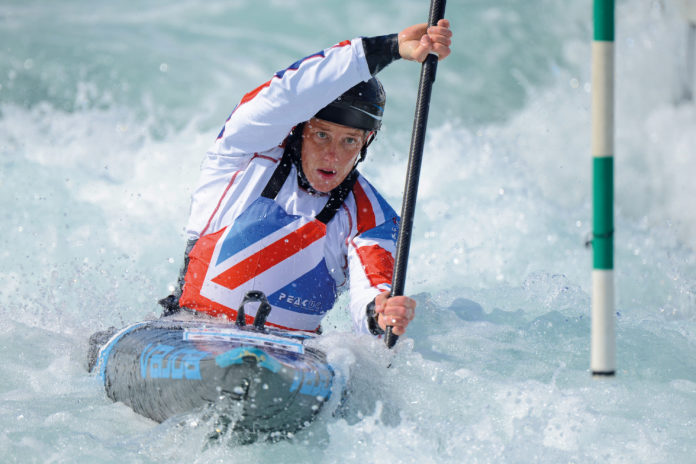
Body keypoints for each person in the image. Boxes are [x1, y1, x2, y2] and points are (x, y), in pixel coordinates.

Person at [160, 20, 453, 338]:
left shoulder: (373, 217)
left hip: (292, 354)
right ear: (299, 128)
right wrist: (388, 48)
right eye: (322, 135)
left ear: (367, 141)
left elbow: (372, 290)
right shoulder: (242, 155)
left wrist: (379, 314)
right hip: (188, 327)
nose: (333, 156)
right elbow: (286, 93)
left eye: (349, 141)